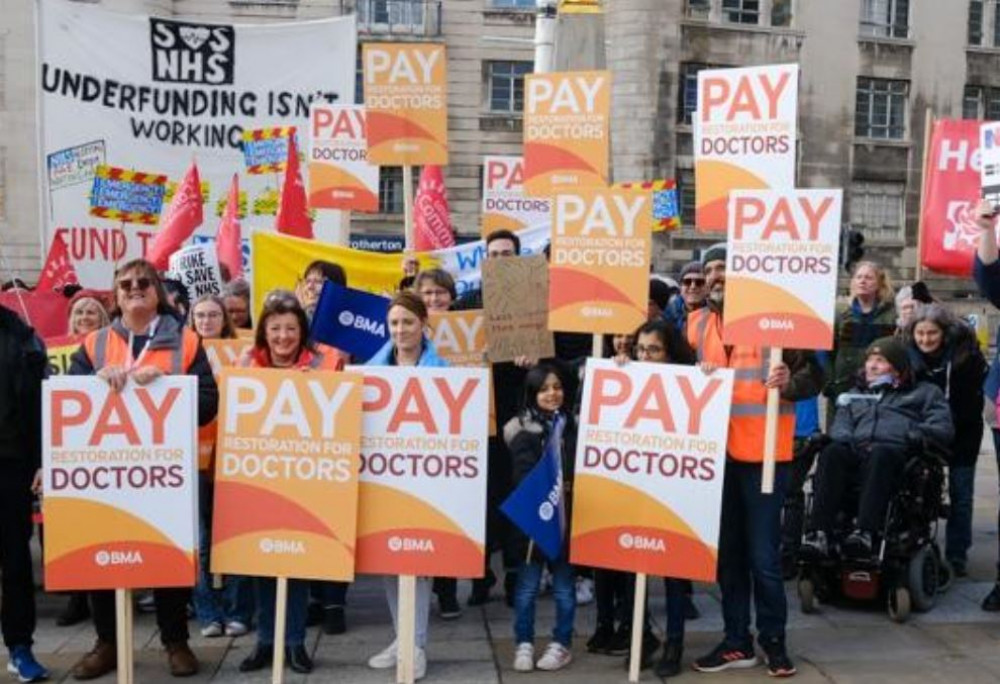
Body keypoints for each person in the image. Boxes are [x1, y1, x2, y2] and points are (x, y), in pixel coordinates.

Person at [68, 259, 218, 680]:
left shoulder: (187, 342)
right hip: (106, 473)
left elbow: (209, 403)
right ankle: (108, 644)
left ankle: (176, 642)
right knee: (102, 556)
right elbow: (67, 400)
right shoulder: (94, 345)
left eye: (143, 283)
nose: (134, 288)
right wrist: (96, 380)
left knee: (166, 556)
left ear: (158, 293)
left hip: (163, 476)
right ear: (115, 296)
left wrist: (168, 388)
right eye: (125, 284)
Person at [686, 243, 822, 677]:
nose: (716, 276)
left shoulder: (776, 323)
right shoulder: (696, 322)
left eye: (725, 268)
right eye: (710, 270)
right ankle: (735, 642)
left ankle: (774, 641)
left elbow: (816, 374)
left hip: (763, 456)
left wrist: (791, 379)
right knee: (728, 557)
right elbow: (665, 365)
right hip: (713, 458)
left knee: (763, 557)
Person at [238, 291, 344, 676]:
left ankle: (295, 642)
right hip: (258, 479)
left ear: (302, 332)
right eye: (275, 328)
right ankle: (265, 641)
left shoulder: (325, 364)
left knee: (298, 561)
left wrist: (316, 385)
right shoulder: (246, 365)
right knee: (261, 562)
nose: (283, 336)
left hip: (306, 479)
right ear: (264, 333)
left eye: (290, 329)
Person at [601, 319, 696, 677]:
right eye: (640, 349)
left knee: (673, 573)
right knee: (630, 569)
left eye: (653, 349)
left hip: (673, 490)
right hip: (635, 488)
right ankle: (641, 636)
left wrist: (704, 376)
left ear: (669, 352)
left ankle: (674, 642)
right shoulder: (625, 378)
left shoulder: (689, 382)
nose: (645, 356)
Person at [803, 337, 954, 559]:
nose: (871, 366)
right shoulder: (856, 394)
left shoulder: (925, 392)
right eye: (869, 360)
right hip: (858, 452)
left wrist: (916, 434)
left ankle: (865, 532)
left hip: (896, 456)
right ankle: (818, 533)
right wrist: (845, 441)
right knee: (831, 452)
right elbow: (841, 426)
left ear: (898, 367)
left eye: (880, 360)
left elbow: (943, 427)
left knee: (880, 453)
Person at [365, 291, 447, 682]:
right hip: (384, 479)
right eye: (394, 323)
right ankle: (403, 639)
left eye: (408, 322)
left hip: (426, 480)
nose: (400, 330)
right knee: (389, 564)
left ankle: (416, 646)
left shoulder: (443, 371)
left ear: (423, 325)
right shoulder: (370, 370)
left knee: (418, 566)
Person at [186, 295, 254, 639]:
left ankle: (238, 610)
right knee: (200, 539)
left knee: (235, 535)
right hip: (195, 457)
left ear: (224, 318)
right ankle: (208, 613)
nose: (206, 321)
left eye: (213, 314)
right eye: (199, 315)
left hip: (234, 454)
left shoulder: (244, 349)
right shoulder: (183, 353)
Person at [904, 304, 987, 576]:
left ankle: (957, 553)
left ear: (944, 333)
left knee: (961, 495)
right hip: (923, 432)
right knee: (915, 491)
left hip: (963, 432)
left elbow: (972, 403)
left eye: (932, 333)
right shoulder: (907, 357)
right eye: (920, 333)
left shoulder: (967, 358)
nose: (926, 340)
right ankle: (914, 543)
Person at [508, 363, 577, 673]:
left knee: (564, 587)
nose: (552, 393)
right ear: (532, 394)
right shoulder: (522, 431)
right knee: (527, 588)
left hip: (567, 521)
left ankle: (562, 643)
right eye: (545, 389)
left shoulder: (574, 427)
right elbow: (522, 477)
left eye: (557, 387)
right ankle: (523, 642)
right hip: (533, 524)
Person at [0, 304, 49, 682]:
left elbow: (39, 404)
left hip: (11, 466)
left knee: (16, 564)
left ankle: (20, 648)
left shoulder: (22, 335)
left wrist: (41, 460)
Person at [411, 268, 463, 619]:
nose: (434, 299)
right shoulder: (405, 330)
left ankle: (446, 591)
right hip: (414, 434)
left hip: (454, 435)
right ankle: (414, 590)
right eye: (427, 293)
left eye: (439, 293)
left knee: (447, 514)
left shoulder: (471, 327)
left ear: (451, 296)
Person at [827, 261, 896, 419]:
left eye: (868, 278)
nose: (862, 281)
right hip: (843, 383)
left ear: (879, 283)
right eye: (859, 277)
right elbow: (827, 350)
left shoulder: (892, 313)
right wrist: (829, 382)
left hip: (879, 383)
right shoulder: (839, 311)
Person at [664, 261, 706, 333]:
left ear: (707, 287)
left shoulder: (716, 314)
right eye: (687, 282)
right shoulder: (667, 315)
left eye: (699, 282)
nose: (693, 286)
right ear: (680, 287)